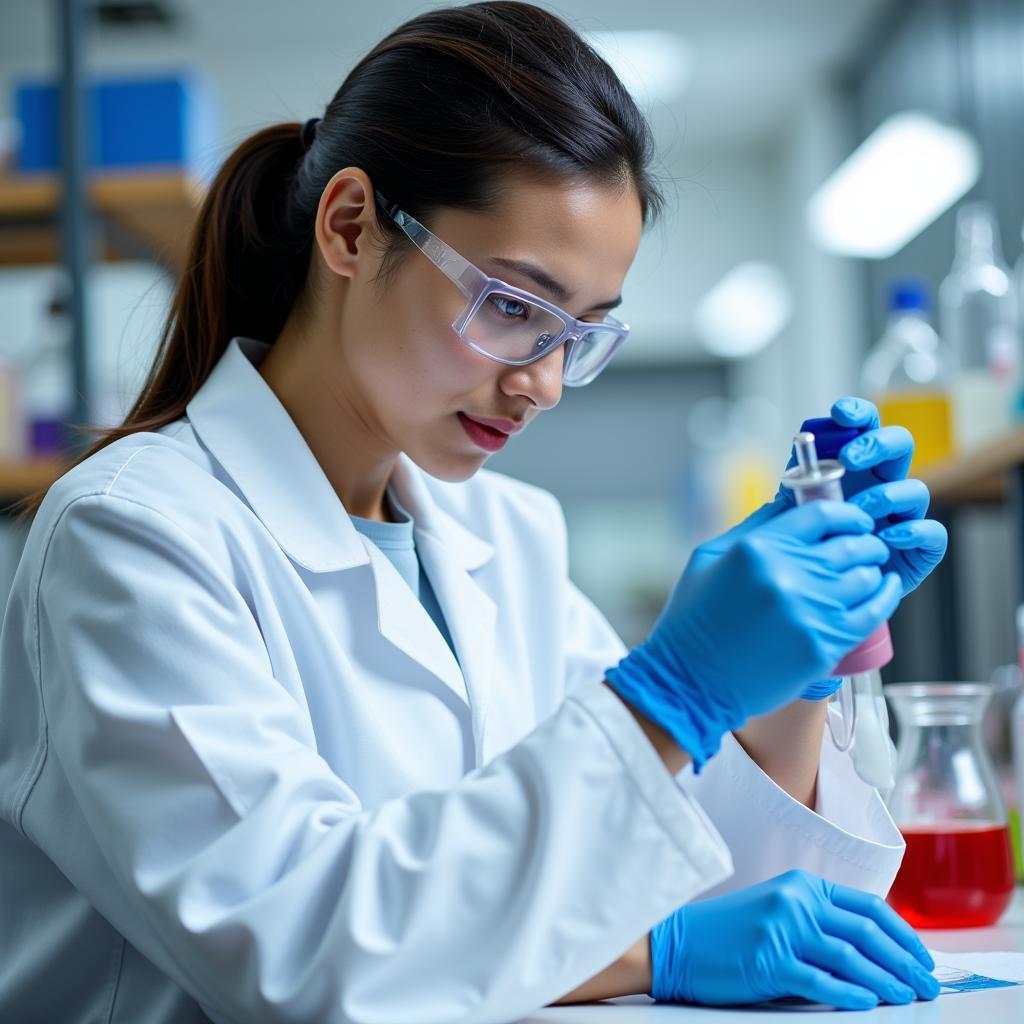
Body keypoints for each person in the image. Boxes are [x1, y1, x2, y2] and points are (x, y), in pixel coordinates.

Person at [0, 3, 948, 1022]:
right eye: (510, 306)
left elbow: (704, 872)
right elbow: (309, 954)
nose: (541, 385)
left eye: (578, 334)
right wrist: (671, 712)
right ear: (352, 227)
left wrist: (788, 675)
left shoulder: (505, 536)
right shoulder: (132, 533)